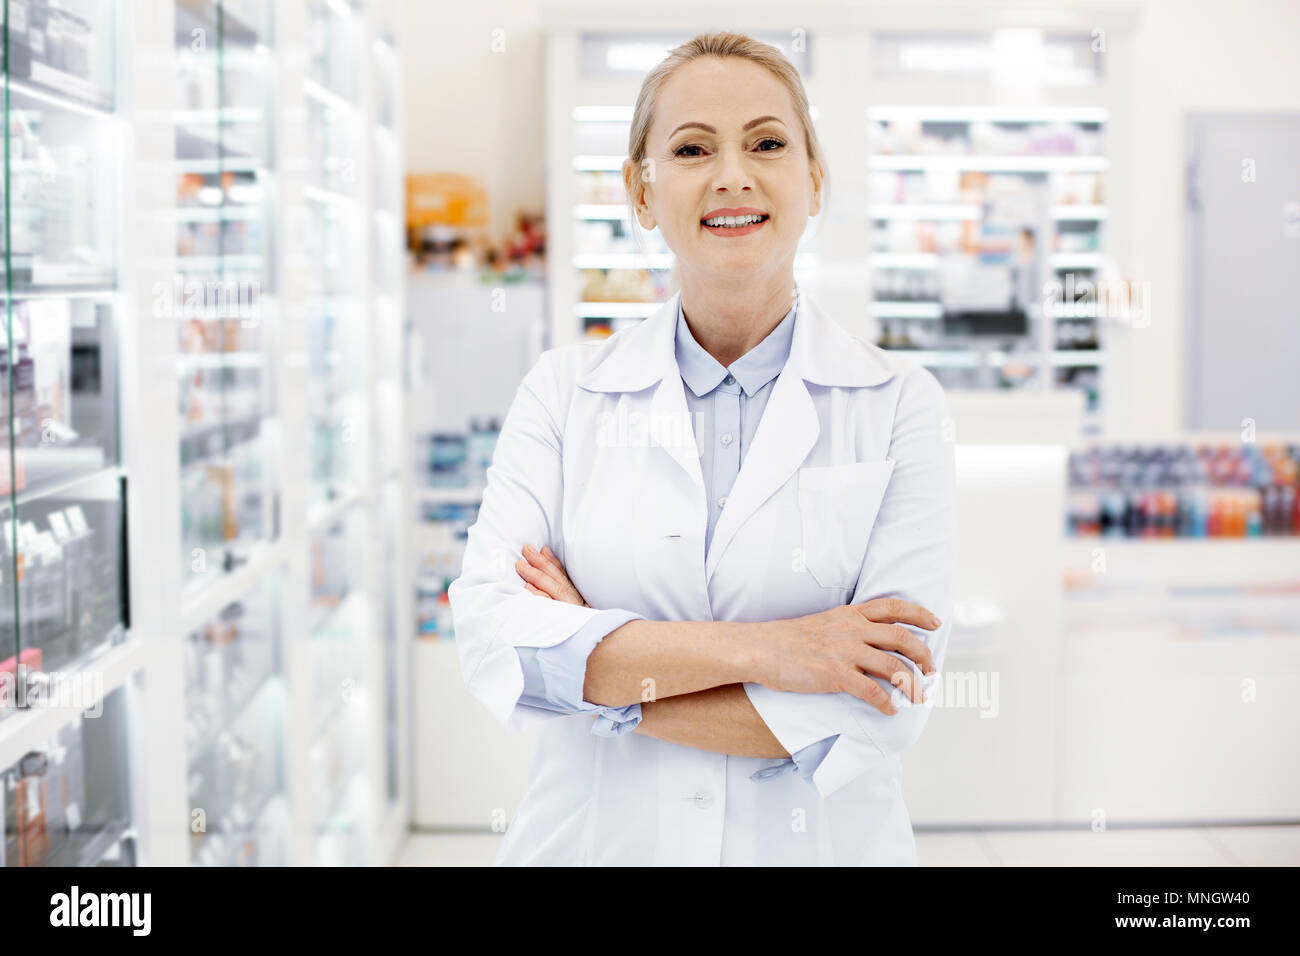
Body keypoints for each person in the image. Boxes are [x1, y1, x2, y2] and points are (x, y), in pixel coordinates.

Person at [448, 31, 955, 866]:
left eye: (767, 142)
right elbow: (499, 646)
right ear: (641, 194)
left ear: (814, 180)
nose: (731, 174)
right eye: (690, 149)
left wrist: (598, 669)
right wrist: (781, 651)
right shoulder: (563, 392)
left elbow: (881, 701)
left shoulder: (899, 405)